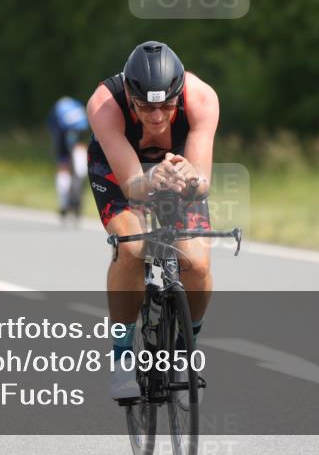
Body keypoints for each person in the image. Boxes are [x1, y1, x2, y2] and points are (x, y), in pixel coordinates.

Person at [86, 41, 219, 399]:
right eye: (145, 106)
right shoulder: (104, 104)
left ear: (179, 95)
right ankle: (122, 356)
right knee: (131, 246)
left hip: (173, 173)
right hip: (122, 173)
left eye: (166, 105)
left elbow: (201, 183)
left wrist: (192, 182)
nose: (157, 116)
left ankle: (184, 346)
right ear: (130, 97)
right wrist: (149, 181)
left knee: (198, 263)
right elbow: (133, 186)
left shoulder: (201, 99)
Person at [46, 96, 90, 222]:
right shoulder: (77, 107)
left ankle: (64, 203)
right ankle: (76, 201)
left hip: (63, 139)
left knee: (63, 168)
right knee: (80, 171)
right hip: (80, 140)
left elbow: (52, 129)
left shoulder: (57, 111)